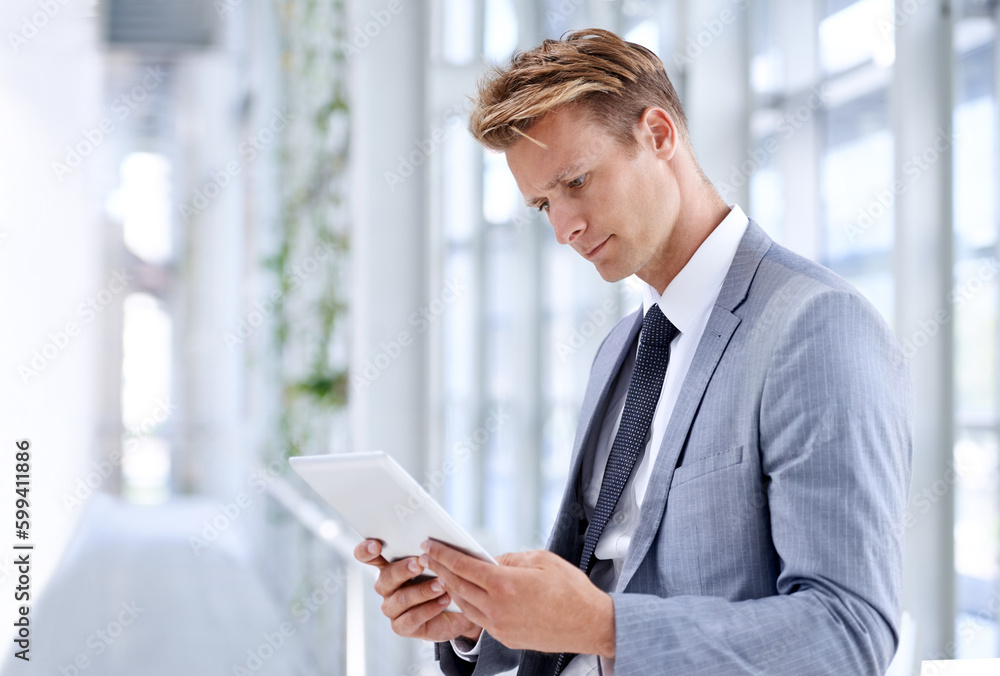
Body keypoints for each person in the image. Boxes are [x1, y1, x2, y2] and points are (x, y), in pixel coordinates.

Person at [354, 28, 913, 675]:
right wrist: (482, 617)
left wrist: (601, 625)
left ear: (658, 134)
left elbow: (848, 632)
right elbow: (608, 581)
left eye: (576, 181)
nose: (564, 228)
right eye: (543, 205)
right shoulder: (624, 346)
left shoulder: (814, 326)